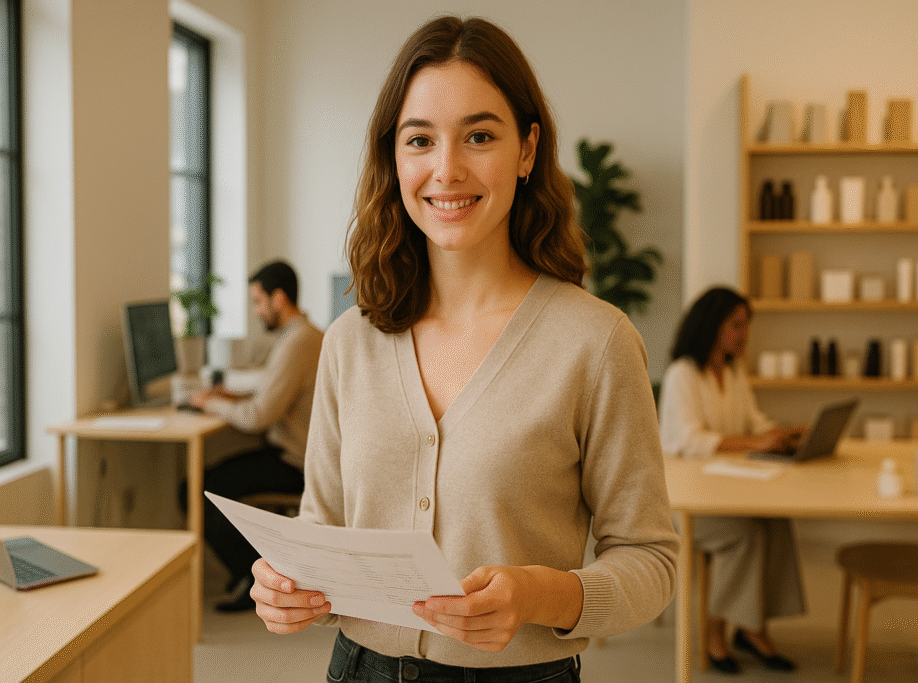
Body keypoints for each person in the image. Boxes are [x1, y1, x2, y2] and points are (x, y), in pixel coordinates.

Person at [249, 15, 679, 682]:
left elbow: (652, 561)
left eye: (480, 135)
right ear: (394, 157)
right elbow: (323, 529)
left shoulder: (595, 343)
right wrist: (289, 586)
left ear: (528, 150)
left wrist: (540, 593)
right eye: (420, 139)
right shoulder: (348, 342)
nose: (447, 170)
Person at [659, 286, 805, 674]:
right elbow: (688, 440)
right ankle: (714, 632)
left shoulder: (734, 372)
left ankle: (751, 626)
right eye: (736, 325)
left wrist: (782, 434)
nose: (744, 335)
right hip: (689, 501)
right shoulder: (682, 375)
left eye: (747, 326)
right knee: (745, 534)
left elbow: (754, 422)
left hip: (726, 486)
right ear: (713, 325)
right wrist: (757, 441)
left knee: (775, 522)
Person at [184, 260, 324, 612]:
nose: (257, 311)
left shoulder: (299, 342)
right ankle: (249, 571)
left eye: (258, 301)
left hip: (294, 462)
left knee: (198, 489)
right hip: (296, 454)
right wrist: (230, 398)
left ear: (278, 298)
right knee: (207, 482)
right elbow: (270, 394)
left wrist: (211, 402)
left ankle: (252, 576)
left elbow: (259, 416)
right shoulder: (301, 336)